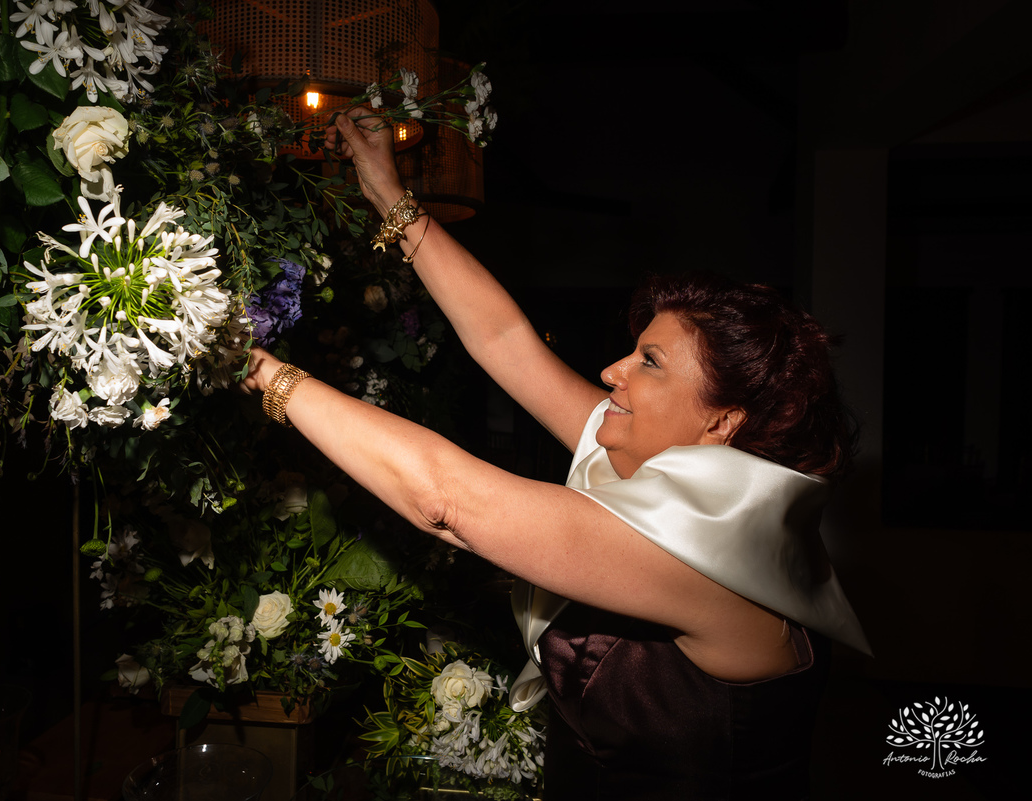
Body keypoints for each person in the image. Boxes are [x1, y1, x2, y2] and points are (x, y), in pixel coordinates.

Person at [241, 108, 870, 799]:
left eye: (650, 362)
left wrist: (258, 370)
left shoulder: (720, 557)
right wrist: (390, 196)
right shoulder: (666, 460)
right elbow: (505, 340)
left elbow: (447, 499)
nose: (611, 372)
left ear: (722, 421)